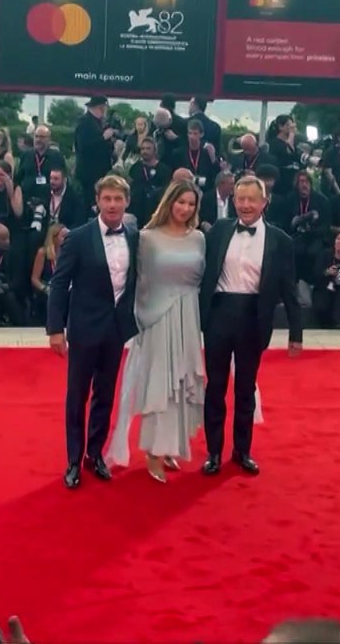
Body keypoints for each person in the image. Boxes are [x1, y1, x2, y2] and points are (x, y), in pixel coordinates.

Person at [199, 175, 303, 476]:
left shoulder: (281, 241)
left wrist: (296, 333)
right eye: (240, 199)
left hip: (253, 319)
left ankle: (242, 451)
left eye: (251, 200)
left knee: (245, 389)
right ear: (234, 201)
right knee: (215, 387)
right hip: (218, 316)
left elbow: (289, 288)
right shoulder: (218, 231)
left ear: (264, 203)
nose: (245, 205)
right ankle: (214, 453)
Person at [108, 180, 206, 483]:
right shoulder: (147, 238)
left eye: (191, 204)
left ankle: (171, 447)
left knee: (182, 384)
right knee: (160, 385)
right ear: (170, 202)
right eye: (181, 202)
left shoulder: (200, 238)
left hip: (188, 316)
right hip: (156, 319)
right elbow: (138, 281)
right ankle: (152, 451)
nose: (185, 209)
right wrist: (141, 319)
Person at [47, 174, 139, 490]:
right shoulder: (79, 237)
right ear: (97, 202)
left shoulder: (133, 236)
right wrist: (55, 329)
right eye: (107, 199)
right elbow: (59, 283)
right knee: (77, 396)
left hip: (116, 329)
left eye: (118, 199)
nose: (113, 205)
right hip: (84, 328)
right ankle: (74, 459)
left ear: (127, 202)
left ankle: (94, 454)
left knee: (105, 394)